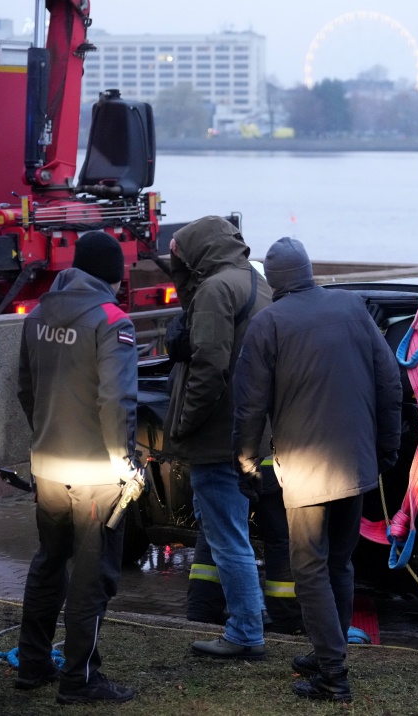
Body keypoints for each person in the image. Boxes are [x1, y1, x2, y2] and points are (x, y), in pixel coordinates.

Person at [232, 237, 401, 703]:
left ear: (274, 281)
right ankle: (330, 651)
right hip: (356, 464)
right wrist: (386, 448)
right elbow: (390, 381)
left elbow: (249, 407)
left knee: (308, 570)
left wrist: (245, 464)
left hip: (307, 471)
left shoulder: (267, 324)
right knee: (339, 564)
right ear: (308, 271)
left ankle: (333, 675)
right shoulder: (352, 307)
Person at [15, 231, 139, 704]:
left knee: (49, 561)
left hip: (48, 463)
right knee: (92, 575)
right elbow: (117, 401)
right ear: (113, 276)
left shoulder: (38, 314)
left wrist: (45, 434)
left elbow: (26, 386)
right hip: (97, 474)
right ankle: (79, 679)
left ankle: (32, 664)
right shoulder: (112, 320)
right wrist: (125, 463)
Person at [164, 216, 271, 660]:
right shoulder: (256, 284)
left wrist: (183, 424)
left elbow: (208, 368)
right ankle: (252, 615)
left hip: (215, 437)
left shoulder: (214, 290)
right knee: (233, 533)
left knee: (227, 539)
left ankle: (245, 631)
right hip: (249, 432)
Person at [185, 459, 304, 635]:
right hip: (276, 468)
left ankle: (202, 607)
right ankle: (285, 617)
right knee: (280, 541)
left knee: (217, 534)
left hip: (228, 466)